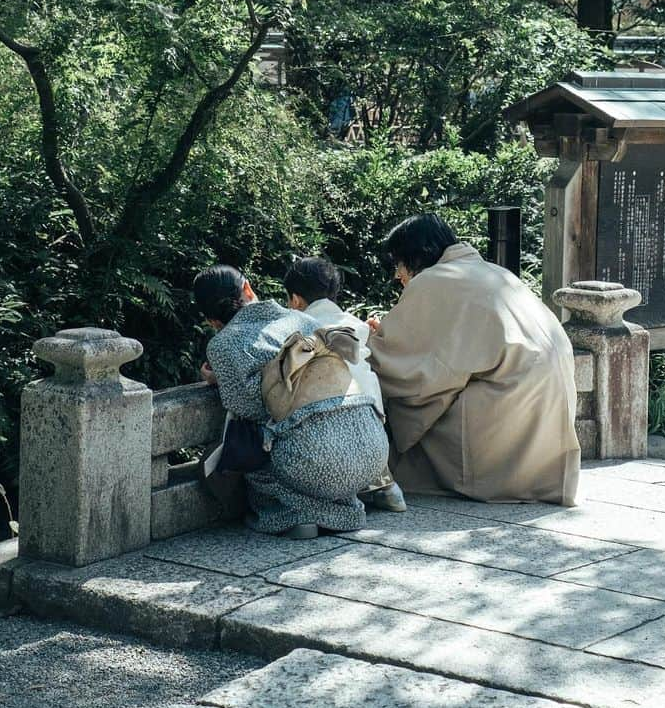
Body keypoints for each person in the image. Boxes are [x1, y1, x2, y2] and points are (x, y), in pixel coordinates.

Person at [368, 214, 580, 505]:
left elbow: (410, 370)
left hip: (505, 416)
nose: (397, 275)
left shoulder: (434, 279)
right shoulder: (494, 272)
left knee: (401, 433)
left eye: (398, 264)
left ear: (415, 256)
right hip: (548, 424)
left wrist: (371, 345)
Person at [194, 264, 390, 538]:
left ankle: (297, 516)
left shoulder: (223, 344)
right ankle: (339, 507)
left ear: (211, 319)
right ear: (248, 289)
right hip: (374, 452)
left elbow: (249, 410)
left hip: (316, 462)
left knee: (253, 463)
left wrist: (219, 380)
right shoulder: (302, 320)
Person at [283, 255, 406, 513]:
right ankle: (383, 485)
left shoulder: (294, 333)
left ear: (295, 300)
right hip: (376, 450)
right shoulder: (356, 327)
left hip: (324, 454)